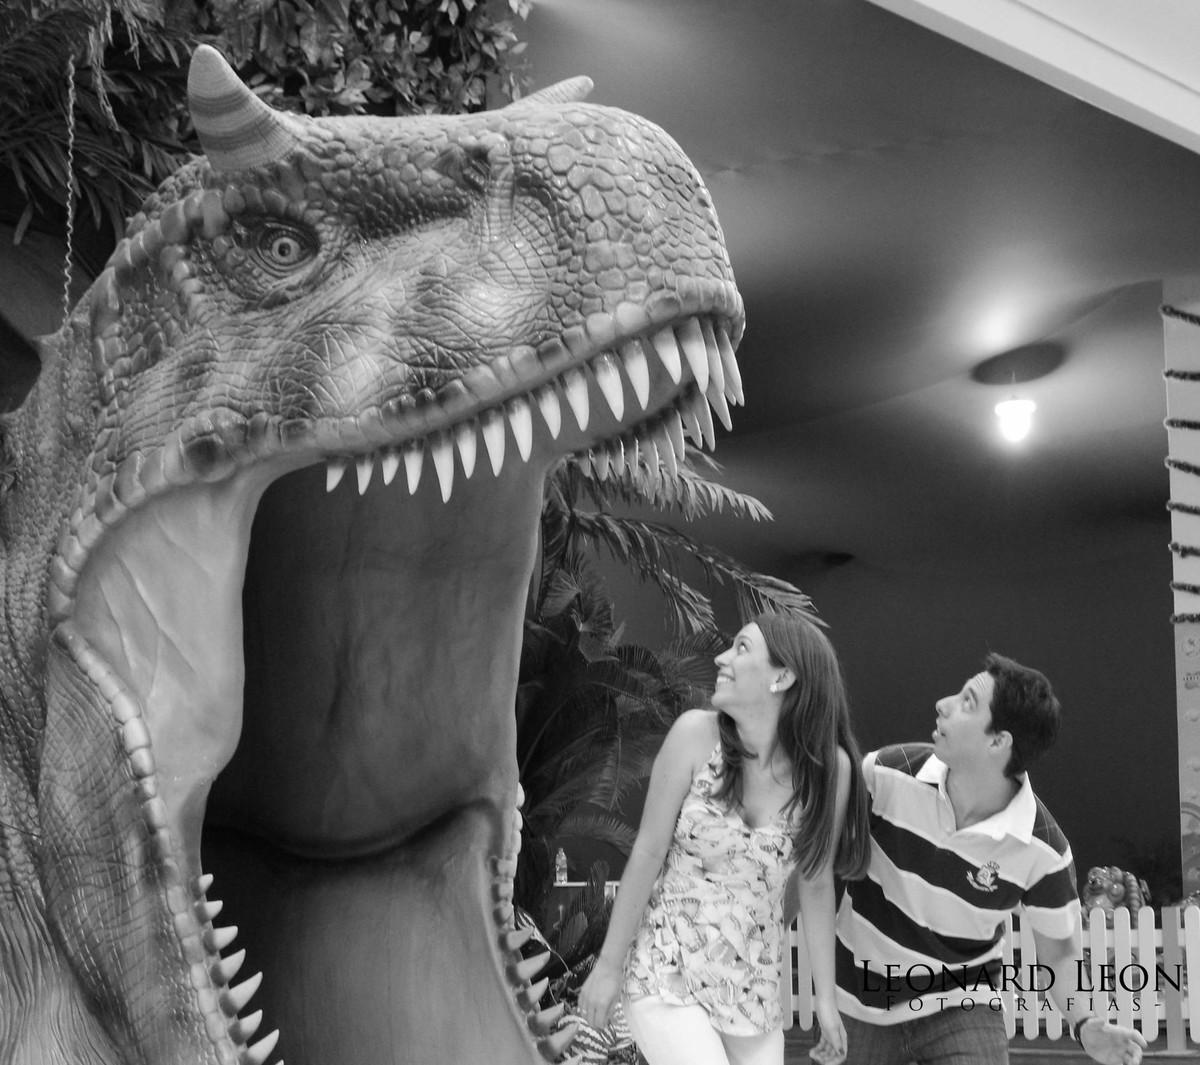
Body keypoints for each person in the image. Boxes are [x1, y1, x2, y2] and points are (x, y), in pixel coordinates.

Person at [577, 611, 872, 1065]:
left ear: (783, 677)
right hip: (665, 970)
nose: (721, 658)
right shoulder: (694, 735)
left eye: (742, 648)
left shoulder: (829, 771)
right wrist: (608, 966)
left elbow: (815, 883)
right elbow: (648, 852)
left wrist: (826, 1003)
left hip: (752, 992)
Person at [835, 653, 1147, 1065]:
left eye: (967, 701)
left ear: (998, 742)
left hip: (962, 1002)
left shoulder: (1043, 850)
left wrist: (1085, 1022)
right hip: (859, 1000)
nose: (942, 704)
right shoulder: (885, 774)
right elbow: (819, 861)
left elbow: (1060, 953)